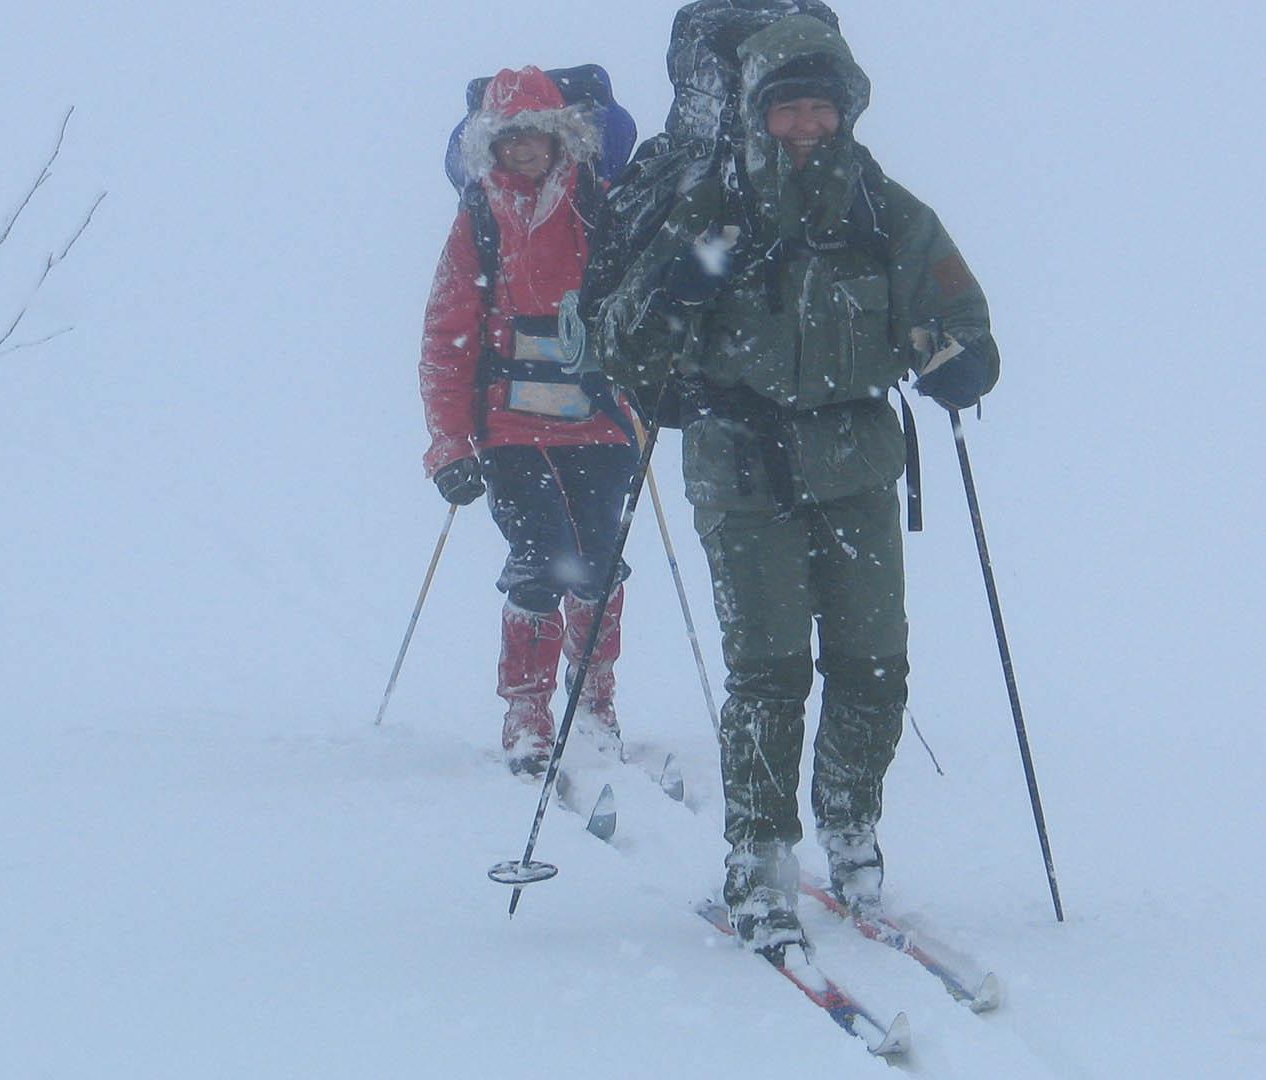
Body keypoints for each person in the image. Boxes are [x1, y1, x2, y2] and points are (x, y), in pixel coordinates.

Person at [600, 15, 999, 953]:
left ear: (847, 109)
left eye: (822, 106)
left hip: (856, 466)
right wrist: (676, 289)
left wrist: (963, 362)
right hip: (741, 471)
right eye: (790, 108)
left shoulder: (885, 210)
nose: (807, 124)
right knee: (770, 673)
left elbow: (960, 314)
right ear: (757, 113)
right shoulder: (704, 206)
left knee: (874, 668)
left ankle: (852, 833)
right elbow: (620, 345)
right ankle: (760, 858)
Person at [420, 66, 638, 776]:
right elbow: (448, 336)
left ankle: (593, 692)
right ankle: (525, 707)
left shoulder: (603, 210)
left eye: (536, 138)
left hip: (601, 420)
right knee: (539, 560)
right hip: (508, 427)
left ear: (562, 138)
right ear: (490, 145)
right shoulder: (478, 218)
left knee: (599, 563)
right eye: (510, 140)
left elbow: (641, 314)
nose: (524, 151)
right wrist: (449, 443)